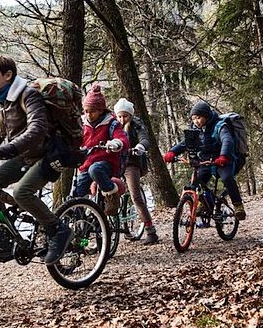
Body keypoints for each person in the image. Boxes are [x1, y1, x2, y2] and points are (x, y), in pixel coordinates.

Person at [0, 55, 71, 264]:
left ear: (8, 75)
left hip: (47, 154)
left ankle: (58, 230)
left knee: (21, 192)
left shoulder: (29, 96)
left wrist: (5, 150)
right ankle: (4, 238)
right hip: (23, 156)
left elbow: (37, 129)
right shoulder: (2, 102)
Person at [162, 100, 247, 222]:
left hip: (222, 159)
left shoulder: (220, 126)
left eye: (198, 118)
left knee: (227, 178)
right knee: (196, 183)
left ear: (206, 116)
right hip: (205, 161)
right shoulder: (195, 129)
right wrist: (172, 152)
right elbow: (185, 143)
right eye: (193, 118)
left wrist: (223, 157)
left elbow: (227, 141)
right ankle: (205, 203)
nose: (196, 121)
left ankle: (238, 205)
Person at [71, 85, 128, 214]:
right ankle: (81, 221)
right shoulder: (82, 124)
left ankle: (112, 194)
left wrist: (116, 143)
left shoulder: (112, 123)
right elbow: (75, 138)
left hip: (106, 162)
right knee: (79, 190)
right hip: (86, 163)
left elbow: (123, 139)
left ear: (101, 110)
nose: (88, 115)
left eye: (92, 111)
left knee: (95, 169)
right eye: (86, 111)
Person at [113, 97, 160, 245]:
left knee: (136, 197)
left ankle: (150, 231)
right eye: (119, 116)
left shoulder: (136, 124)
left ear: (131, 115)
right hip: (115, 162)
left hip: (131, 163)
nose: (122, 119)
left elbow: (145, 139)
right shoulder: (113, 125)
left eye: (125, 116)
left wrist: (140, 147)